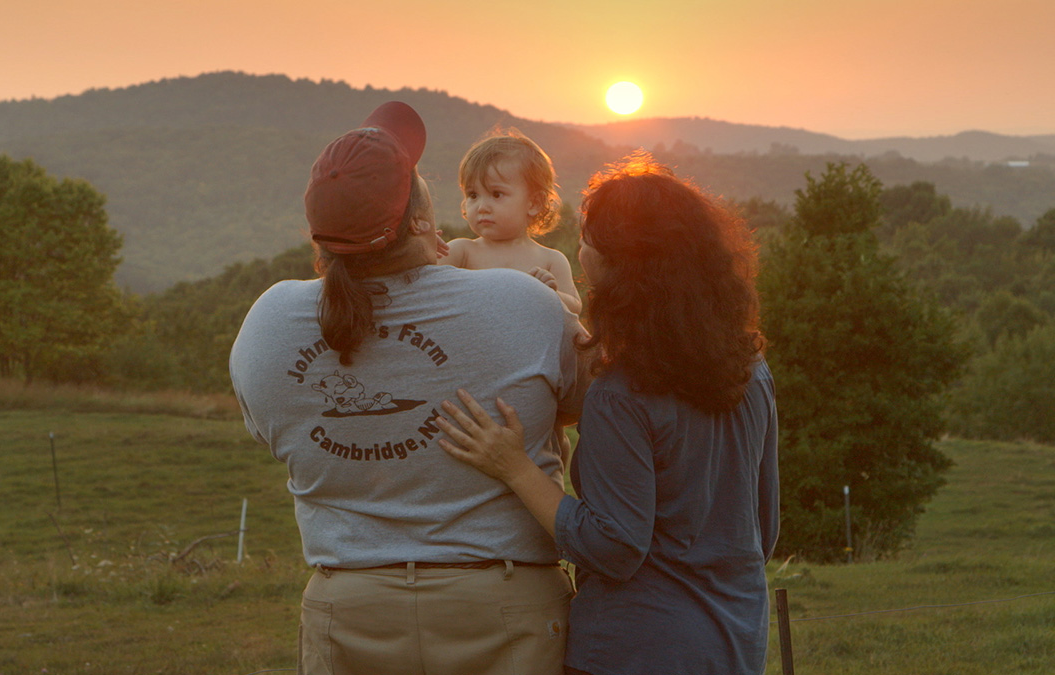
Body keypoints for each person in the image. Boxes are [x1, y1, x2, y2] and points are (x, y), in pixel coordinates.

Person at [229, 101, 586, 675]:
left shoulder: (269, 323)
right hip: (501, 607)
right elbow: (580, 407)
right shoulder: (523, 303)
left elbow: (273, 435)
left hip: (350, 612)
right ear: (420, 220)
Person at [437, 152, 779, 675]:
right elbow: (763, 526)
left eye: (589, 239)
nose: (581, 248)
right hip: (735, 642)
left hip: (635, 646)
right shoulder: (751, 369)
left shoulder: (622, 392)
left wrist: (515, 467)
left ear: (622, 266)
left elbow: (614, 546)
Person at [440, 130, 581, 314]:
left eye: (496, 194)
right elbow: (423, 286)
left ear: (534, 203)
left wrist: (549, 294)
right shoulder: (461, 252)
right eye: (473, 195)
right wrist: (425, 246)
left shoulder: (550, 260)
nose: (482, 206)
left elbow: (575, 308)